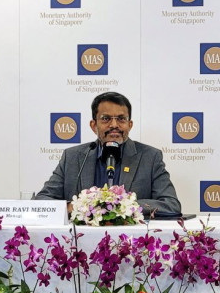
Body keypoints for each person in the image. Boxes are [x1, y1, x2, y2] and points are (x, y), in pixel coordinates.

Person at [35, 92, 181, 217]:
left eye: (121, 119)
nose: (114, 125)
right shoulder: (72, 157)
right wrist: (74, 206)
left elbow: (171, 205)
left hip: (130, 244)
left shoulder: (150, 157)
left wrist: (123, 204)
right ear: (94, 125)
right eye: (106, 119)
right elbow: (42, 200)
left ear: (130, 125)